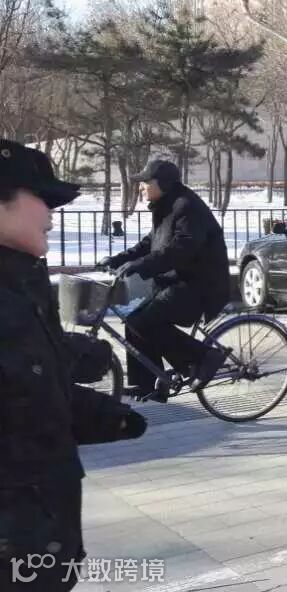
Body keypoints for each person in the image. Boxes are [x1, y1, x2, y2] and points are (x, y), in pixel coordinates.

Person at [0, 139, 148, 592]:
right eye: (43, 198)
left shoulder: (22, 283)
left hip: (40, 540)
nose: (52, 214)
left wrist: (104, 416)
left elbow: (27, 396)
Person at [99, 160, 230, 402]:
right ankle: (146, 383)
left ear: (163, 184)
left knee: (146, 321)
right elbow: (150, 243)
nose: (141, 187)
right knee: (134, 322)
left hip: (200, 285)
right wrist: (118, 259)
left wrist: (141, 265)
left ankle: (205, 357)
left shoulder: (187, 207)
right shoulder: (166, 206)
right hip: (177, 282)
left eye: (146, 182)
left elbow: (181, 249)